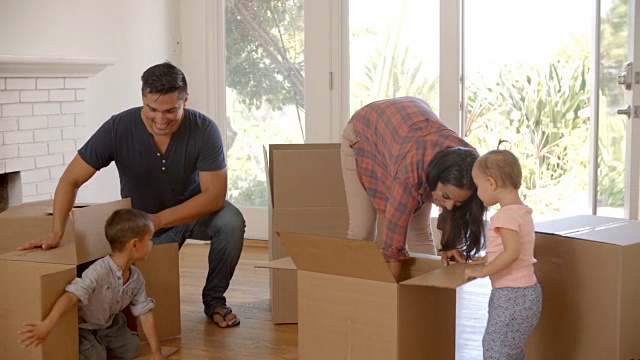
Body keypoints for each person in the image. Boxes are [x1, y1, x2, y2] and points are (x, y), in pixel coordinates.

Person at [18, 61, 246, 328]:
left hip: (192, 213)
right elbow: (71, 179)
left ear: (185, 100)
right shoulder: (118, 128)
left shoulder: (204, 129)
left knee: (231, 222)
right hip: (142, 226)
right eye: (152, 110)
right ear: (142, 100)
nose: (160, 120)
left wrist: (159, 220)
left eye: (171, 110)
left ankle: (215, 300)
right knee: (144, 303)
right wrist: (57, 232)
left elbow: (214, 196)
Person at [341, 96, 486, 280]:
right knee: (362, 229)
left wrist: (451, 246)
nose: (449, 206)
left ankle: (428, 294)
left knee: (419, 231)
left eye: (457, 202)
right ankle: (350, 291)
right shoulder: (410, 175)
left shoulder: (472, 168)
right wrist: (393, 293)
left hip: (407, 132)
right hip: (363, 132)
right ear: (433, 178)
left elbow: (456, 216)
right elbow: (393, 244)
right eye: (445, 196)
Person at [18, 208, 164, 360]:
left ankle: (101, 343)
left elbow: (145, 312)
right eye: (149, 239)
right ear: (134, 245)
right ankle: (94, 346)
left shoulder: (136, 278)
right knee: (96, 357)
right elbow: (71, 296)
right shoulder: (98, 271)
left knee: (132, 348)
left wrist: (157, 352)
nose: (151, 244)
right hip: (85, 327)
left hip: (109, 324)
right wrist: (48, 323)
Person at [465, 149, 542, 359]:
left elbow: (512, 253)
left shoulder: (504, 216)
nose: (477, 192)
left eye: (477, 185)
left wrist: (483, 271)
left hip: (512, 295)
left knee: (496, 350)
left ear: (491, 183)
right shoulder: (521, 212)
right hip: (526, 293)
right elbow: (513, 249)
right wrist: (487, 258)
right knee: (510, 351)